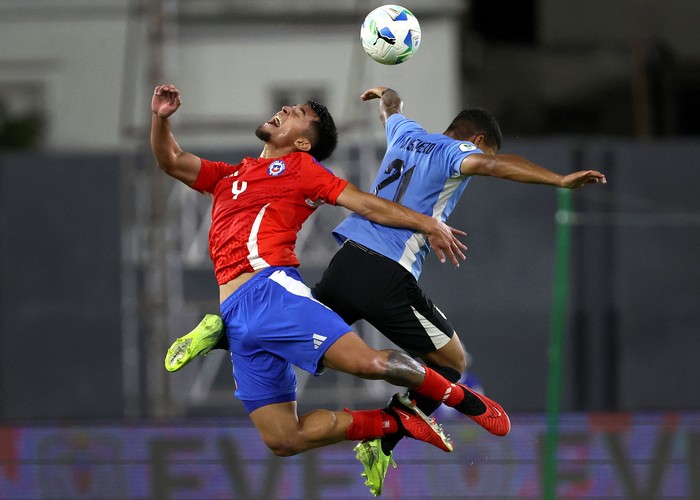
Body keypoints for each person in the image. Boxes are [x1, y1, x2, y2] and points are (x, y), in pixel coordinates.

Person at [164, 85, 607, 495]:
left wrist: (387, 94)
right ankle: (430, 412)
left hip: (345, 263)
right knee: (449, 361)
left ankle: (227, 332)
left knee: (286, 365)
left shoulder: (405, 132)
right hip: (386, 272)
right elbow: (492, 165)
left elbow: (391, 110)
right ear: (474, 141)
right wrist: (559, 180)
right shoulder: (458, 152)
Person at [149, 83, 510, 462]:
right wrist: (160, 119)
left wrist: (427, 223)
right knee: (284, 439)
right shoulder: (228, 177)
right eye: (291, 108)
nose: (286, 108)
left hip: (271, 292)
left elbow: (367, 205)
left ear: (303, 144)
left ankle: (461, 397)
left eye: (298, 114)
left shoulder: (301, 168)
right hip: (238, 313)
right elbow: (171, 160)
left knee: (368, 364)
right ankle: (393, 424)